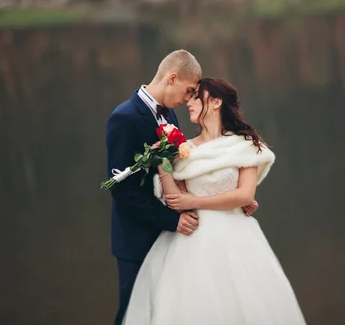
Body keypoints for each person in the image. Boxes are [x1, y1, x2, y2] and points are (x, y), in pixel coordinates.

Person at [122, 78, 307, 325]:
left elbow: (245, 196)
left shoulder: (243, 144)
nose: (190, 101)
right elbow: (176, 199)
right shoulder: (184, 149)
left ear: (217, 101)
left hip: (235, 237)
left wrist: (195, 200)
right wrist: (162, 159)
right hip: (190, 236)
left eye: (197, 96)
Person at [105, 52, 259, 325]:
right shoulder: (125, 117)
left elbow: (181, 175)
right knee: (135, 314)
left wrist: (232, 198)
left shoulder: (171, 115)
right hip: (139, 238)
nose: (189, 99)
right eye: (188, 91)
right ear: (172, 78)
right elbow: (123, 189)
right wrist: (172, 220)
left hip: (175, 240)